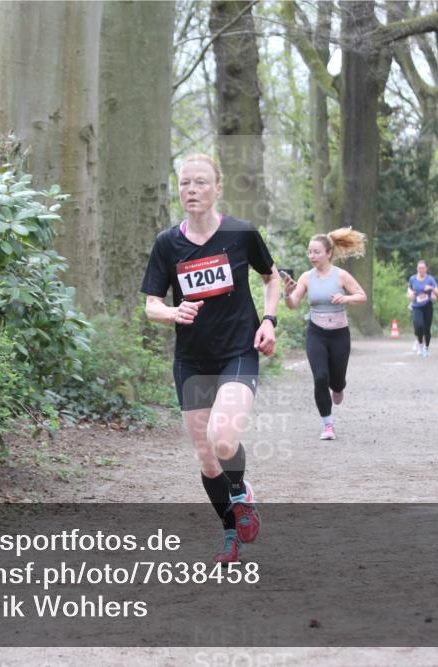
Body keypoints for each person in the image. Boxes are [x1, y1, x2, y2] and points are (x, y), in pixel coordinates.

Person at [141, 153, 281, 562]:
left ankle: (241, 492)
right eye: (185, 183)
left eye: (201, 182)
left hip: (238, 350)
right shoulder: (167, 243)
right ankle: (229, 534)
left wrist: (269, 321)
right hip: (191, 359)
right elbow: (151, 304)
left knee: (222, 439)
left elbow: (271, 277)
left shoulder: (240, 233)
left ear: (217, 188)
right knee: (206, 455)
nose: (192, 190)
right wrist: (171, 312)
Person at [281, 229, 368, 441]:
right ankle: (327, 424)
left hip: (339, 335)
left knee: (336, 382)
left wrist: (345, 298)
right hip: (316, 333)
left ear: (328, 253)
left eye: (316, 252)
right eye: (309, 252)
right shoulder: (306, 278)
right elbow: (293, 304)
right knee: (320, 377)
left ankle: (338, 388)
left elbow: (362, 296)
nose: (311, 256)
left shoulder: (341, 275)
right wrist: (286, 293)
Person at [407, 260, 438, 356]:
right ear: (417, 269)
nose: (421, 270)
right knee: (418, 326)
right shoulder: (412, 279)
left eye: (423, 268)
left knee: (427, 329)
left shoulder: (430, 279)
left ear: (426, 269)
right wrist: (410, 295)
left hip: (427, 306)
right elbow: (409, 290)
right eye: (419, 268)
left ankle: (426, 348)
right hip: (416, 306)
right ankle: (420, 345)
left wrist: (431, 288)